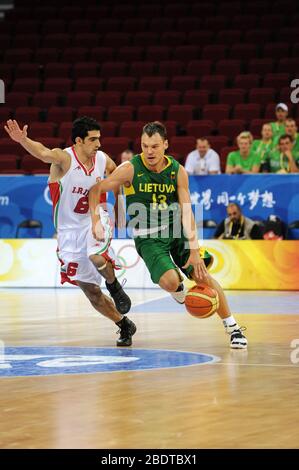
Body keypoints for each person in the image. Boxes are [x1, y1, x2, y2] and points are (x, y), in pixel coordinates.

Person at [89, 121, 247, 349]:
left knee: (203, 276)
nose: (149, 151)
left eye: (154, 146)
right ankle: (178, 288)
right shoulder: (130, 168)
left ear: (165, 144)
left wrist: (194, 251)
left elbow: (187, 211)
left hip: (177, 232)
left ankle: (233, 328)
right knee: (170, 281)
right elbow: (96, 190)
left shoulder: (177, 171)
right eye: (145, 146)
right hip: (148, 237)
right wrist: (97, 219)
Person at [4, 117, 136, 347]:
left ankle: (115, 287)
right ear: (78, 141)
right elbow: (43, 153)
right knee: (91, 291)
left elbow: (118, 172)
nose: (98, 144)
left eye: (99, 139)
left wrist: (120, 204)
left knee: (96, 256)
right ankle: (123, 323)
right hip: (68, 232)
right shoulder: (64, 159)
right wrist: (23, 140)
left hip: (96, 219)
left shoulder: (102, 159)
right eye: (93, 140)